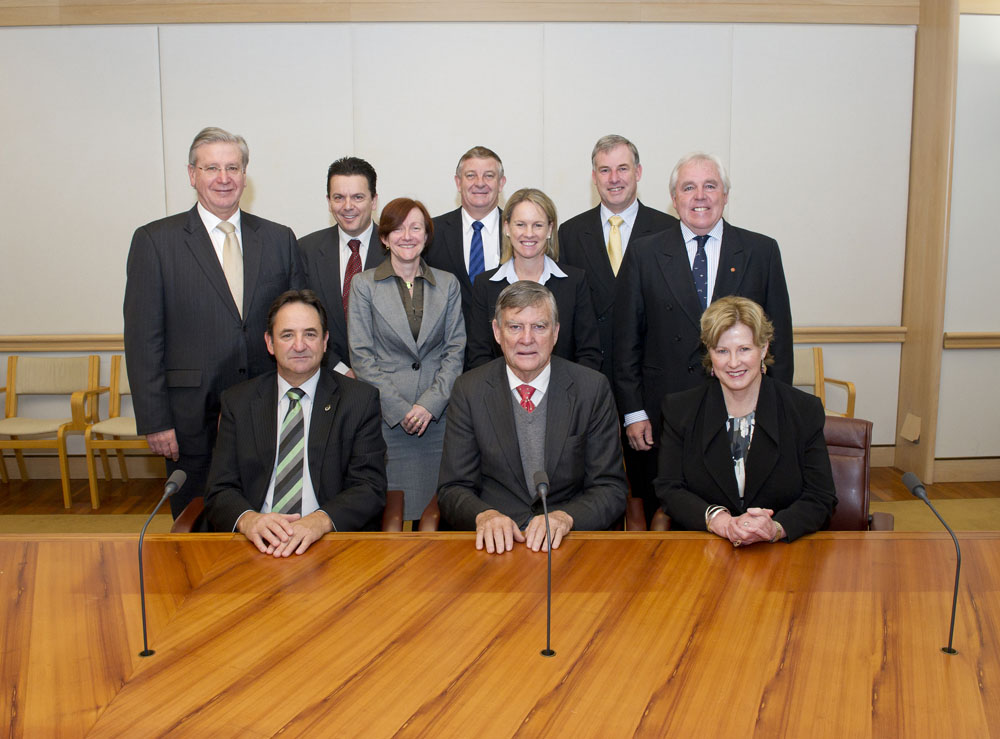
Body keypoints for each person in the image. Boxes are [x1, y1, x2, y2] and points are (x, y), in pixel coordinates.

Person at [123, 126, 304, 518]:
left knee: (265, 514)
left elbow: (297, 327)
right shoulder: (155, 242)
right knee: (197, 524)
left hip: (267, 407)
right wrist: (156, 421)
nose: (224, 178)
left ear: (244, 175)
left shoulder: (278, 239)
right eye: (212, 168)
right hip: (189, 416)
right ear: (192, 174)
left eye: (233, 168)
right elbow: (142, 339)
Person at [614, 152, 793, 523]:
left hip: (742, 408)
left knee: (739, 507)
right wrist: (633, 412)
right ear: (674, 198)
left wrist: (774, 411)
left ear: (725, 195)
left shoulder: (761, 252)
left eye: (710, 186)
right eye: (688, 187)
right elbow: (626, 339)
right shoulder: (645, 253)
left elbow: (780, 342)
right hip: (664, 413)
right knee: (668, 514)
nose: (700, 196)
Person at [437, 281, 627, 554]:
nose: (527, 339)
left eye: (539, 327)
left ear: (556, 333)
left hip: (567, 544)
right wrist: (485, 515)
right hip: (496, 547)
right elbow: (453, 488)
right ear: (497, 332)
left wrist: (566, 517)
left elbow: (610, 488)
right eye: (515, 327)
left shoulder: (591, 389)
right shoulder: (469, 390)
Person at [204, 290, 388, 555]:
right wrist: (249, 520)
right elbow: (219, 489)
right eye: (287, 335)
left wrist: (319, 521)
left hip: (330, 542)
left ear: (325, 342)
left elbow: (370, 487)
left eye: (310, 334)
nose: (299, 345)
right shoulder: (238, 402)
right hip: (256, 543)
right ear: (269, 343)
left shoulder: (358, 400)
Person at [655, 297, 834, 544]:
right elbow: (669, 488)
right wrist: (720, 521)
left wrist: (776, 528)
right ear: (709, 353)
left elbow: (820, 496)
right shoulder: (680, 410)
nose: (733, 363)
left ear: (764, 348)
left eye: (744, 349)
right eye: (722, 351)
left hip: (782, 552)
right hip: (704, 550)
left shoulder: (803, 410)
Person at [348, 198, 465, 523]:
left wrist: (429, 405)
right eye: (397, 228)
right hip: (388, 422)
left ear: (427, 236)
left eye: (416, 228)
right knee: (393, 520)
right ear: (384, 237)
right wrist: (402, 410)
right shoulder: (363, 285)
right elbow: (361, 355)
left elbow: (455, 350)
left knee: (438, 518)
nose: (407, 235)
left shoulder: (448, 284)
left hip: (437, 420)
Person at [558, 134, 677, 388]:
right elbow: (566, 315)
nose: (614, 179)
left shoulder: (668, 231)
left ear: (638, 172)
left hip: (650, 379)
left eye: (623, 168)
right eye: (605, 170)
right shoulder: (570, 234)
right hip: (590, 377)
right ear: (594, 177)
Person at [466, 188, 602, 371]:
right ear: (506, 227)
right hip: (500, 396)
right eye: (520, 224)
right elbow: (479, 357)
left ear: (550, 229)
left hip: (565, 395)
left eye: (537, 225)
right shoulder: (485, 285)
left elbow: (589, 354)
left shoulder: (575, 282)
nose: (529, 233)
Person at [299, 157, 386, 376]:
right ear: (329, 201)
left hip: (387, 380)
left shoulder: (396, 250)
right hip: (327, 376)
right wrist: (339, 368)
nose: (348, 206)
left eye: (358, 197)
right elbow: (301, 319)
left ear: (374, 201)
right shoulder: (305, 250)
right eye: (339, 197)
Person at [426, 146, 507, 347]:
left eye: (489, 176)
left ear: (501, 183)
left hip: (505, 353)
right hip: (445, 353)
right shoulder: (431, 232)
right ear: (458, 182)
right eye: (471, 175)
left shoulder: (519, 231)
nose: (480, 183)